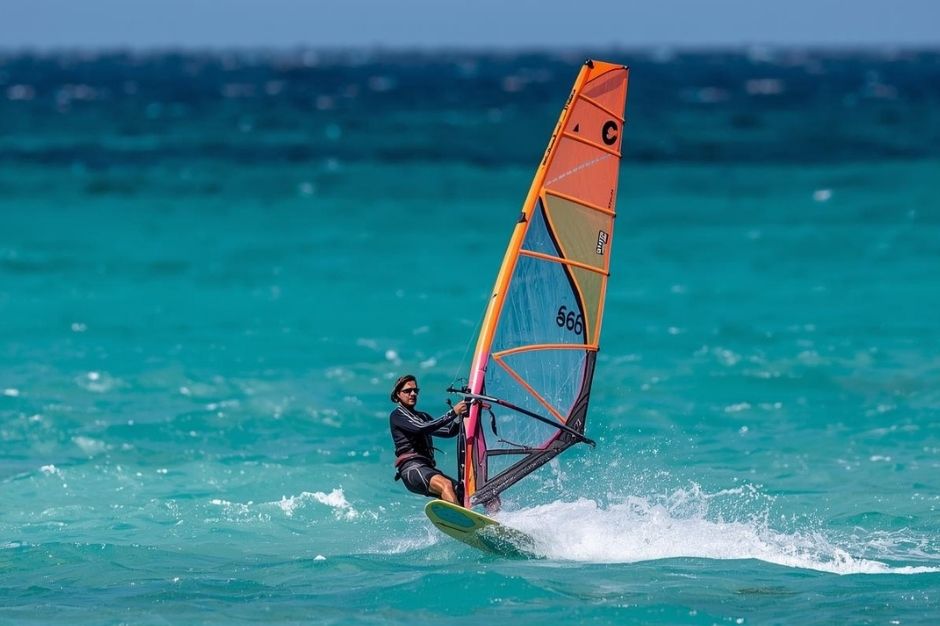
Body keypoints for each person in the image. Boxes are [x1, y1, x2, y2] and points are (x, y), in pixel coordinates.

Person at [389, 374, 468, 505]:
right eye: (407, 391)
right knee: (446, 484)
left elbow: (448, 431)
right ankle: (464, 522)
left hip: (427, 468)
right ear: (398, 394)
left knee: (462, 492)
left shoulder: (423, 416)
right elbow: (421, 428)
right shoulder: (397, 415)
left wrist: (460, 416)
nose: (413, 393)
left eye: (415, 390)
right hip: (412, 469)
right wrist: (452, 413)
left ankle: (491, 518)